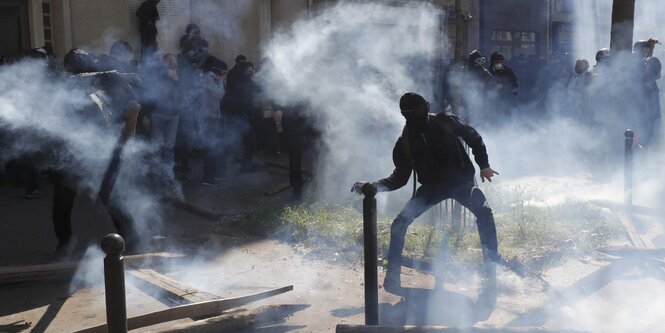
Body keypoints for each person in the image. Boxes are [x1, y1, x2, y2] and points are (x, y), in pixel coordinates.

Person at [352, 92, 501, 294]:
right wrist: (374, 186)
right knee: (399, 224)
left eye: (425, 106)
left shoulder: (444, 121)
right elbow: (399, 178)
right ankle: (392, 277)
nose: (427, 110)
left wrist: (484, 165)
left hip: (461, 184)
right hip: (431, 189)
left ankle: (492, 271)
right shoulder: (404, 142)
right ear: (408, 114)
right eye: (422, 108)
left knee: (485, 213)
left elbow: (473, 137)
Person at [52, 48, 140, 257]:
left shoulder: (101, 84)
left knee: (111, 197)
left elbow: (128, 106)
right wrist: (112, 74)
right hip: (71, 153)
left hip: (98, 151)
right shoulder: (66, 84)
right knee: (63, 202)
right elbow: (78, 81)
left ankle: (133, 241)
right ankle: (64, 242)